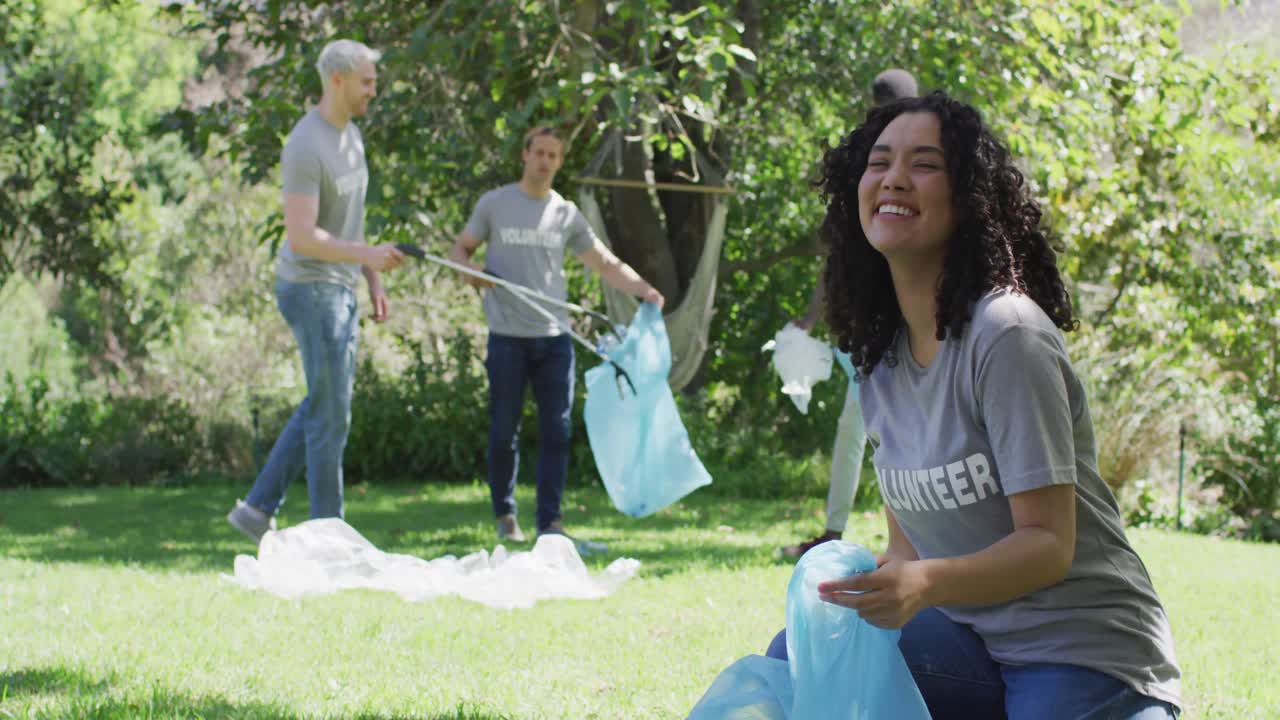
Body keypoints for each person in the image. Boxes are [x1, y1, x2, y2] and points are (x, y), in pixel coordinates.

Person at [765, 92, 1181, 718]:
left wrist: (925, 584)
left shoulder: (1007, 334)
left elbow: (1047, 543)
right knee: (802, 654)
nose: (894, 178)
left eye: (924, 164)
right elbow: (909, 546)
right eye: (878, 162)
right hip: (972, 642)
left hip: (1083, 650)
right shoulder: (880, 353)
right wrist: (864, 585)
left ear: (969, 198)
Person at [449, 126, 664, 550]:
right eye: (539, 153)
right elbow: (461, 252)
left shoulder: (564, 213)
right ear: (525, 155)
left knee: (557, 430)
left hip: (554, 337)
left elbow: (603, 262)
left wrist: (645, 290)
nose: (545, 161)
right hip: (507, 336)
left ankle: (550, 522)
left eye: (553, 155)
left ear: (559, 162)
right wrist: (474, 277)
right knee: (503, 430)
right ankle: (505, 515)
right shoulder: (495, 204)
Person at [227, 39, 406, 543]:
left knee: (324, 403)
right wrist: (366, 258)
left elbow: (353, 221)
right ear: (338, 81)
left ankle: (257, 509)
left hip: (341, 284)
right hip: (310, 288)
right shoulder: (306, 145)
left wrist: (370, 274)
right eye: (367, 81)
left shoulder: (351, 136)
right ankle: (330, 536)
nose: (375, 89)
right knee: (332, 414)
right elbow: (302, 235)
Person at [783, 68, 919, 558]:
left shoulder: (926, 154)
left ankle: (911, 540)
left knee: (898, 429)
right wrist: (814, 315)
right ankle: (838, 531)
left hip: (916, 319)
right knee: (860, 425)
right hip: (872, 320)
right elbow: (841, 249)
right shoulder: (866, 159)